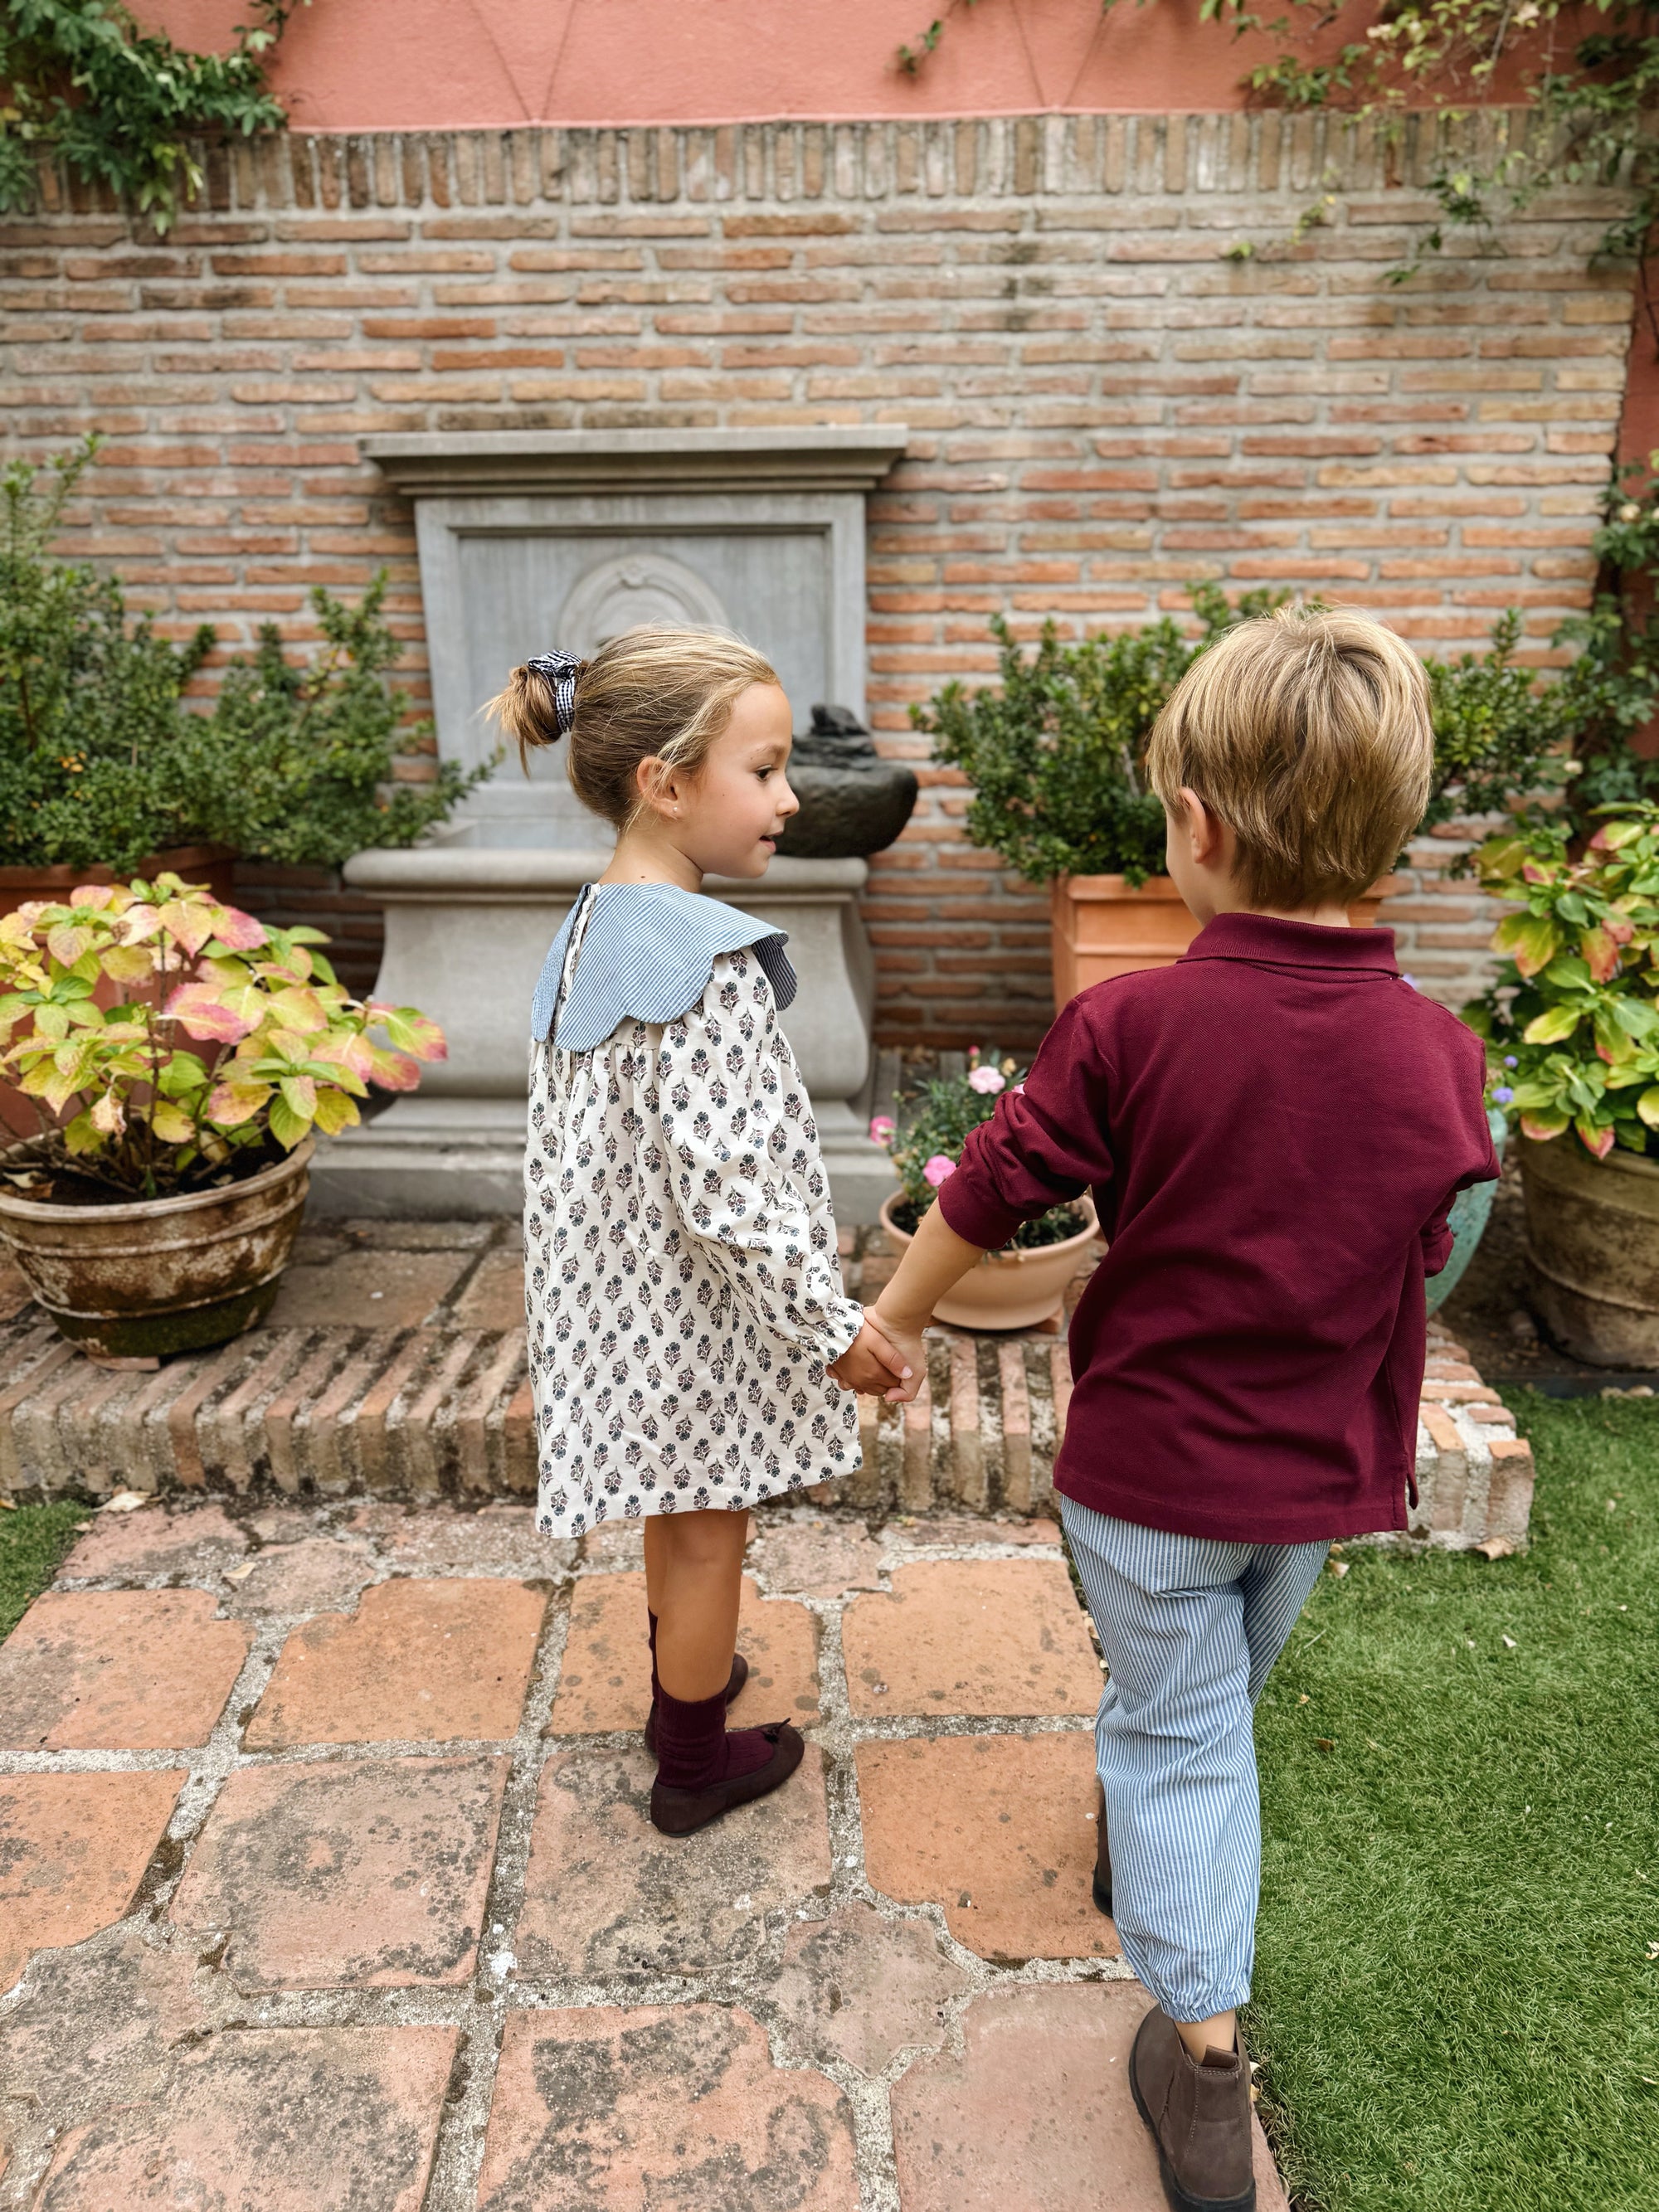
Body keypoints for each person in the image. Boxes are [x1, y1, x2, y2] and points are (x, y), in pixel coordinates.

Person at [864, 605, 1498, 2212]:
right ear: (1391, 834)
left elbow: (997, 1176)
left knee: (1183, 1724)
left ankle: (1203, 2066)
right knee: (1203, 1706)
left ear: (1196, 830)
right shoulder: (1439, 1055)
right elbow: (1426, 1244)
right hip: (1315, 1480)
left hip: (1147, 1478)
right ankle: (1145, 1825)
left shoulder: (1132, 1023)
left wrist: (898, 1315)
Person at [494, 629, 907, 1840]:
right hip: (693, 1316)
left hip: (619, 1309)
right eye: (765, 770)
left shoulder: (589, 929)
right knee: (712, 1529)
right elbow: (732, 1193)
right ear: (665, 784)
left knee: (674, 1513)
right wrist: (831, 1328)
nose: (790, 798)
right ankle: (692, 1762)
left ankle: (689, 1678)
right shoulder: (705, 965)